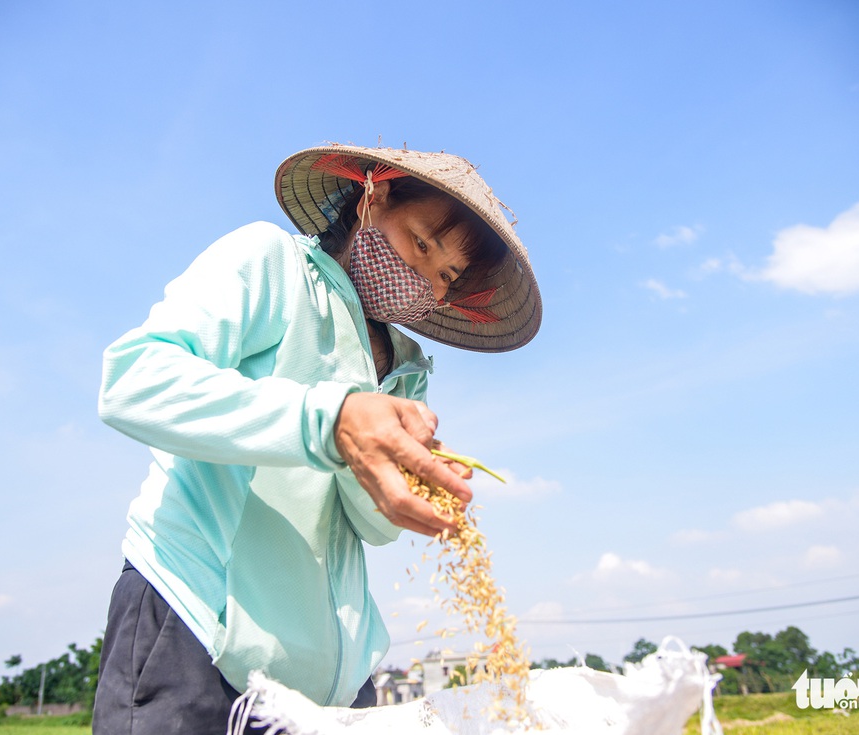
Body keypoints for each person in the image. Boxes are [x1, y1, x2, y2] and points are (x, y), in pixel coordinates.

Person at [92, 144, 542, 734]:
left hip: (333, 683)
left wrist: (406, 480)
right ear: (373, 197)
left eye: (444, 275)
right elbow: (134, 380)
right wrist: (332, 421)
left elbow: (374, 529)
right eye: (421, 242)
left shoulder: (405, 372)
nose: (424, 276)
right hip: (197, 629)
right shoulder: (272, 263)